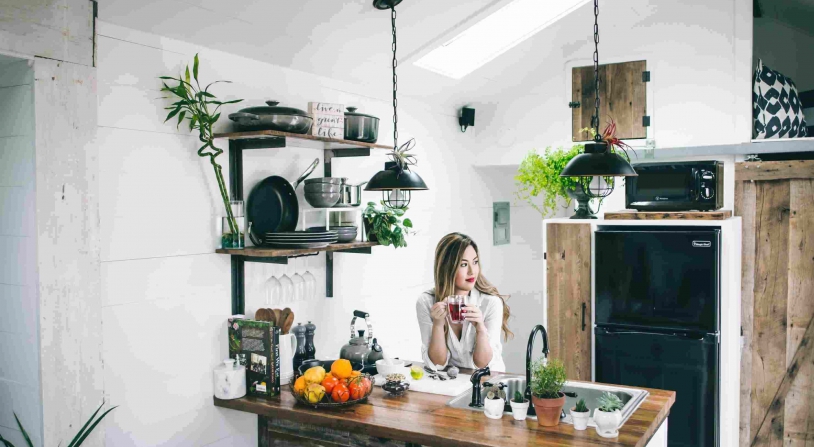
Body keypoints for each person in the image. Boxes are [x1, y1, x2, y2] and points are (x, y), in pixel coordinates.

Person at [416, 232, 512, 372]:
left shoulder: (490, 303)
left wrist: (480, 328)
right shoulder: (426, 302)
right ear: (447, 267)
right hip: (453, 383)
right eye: (463, 264)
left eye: (475, 262)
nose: (472, 271)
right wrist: (438, 324)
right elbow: (437, 364)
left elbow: (483, 365)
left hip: (490, 382)